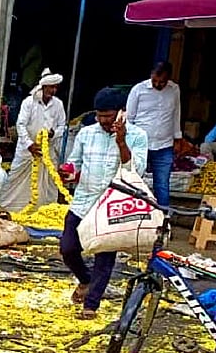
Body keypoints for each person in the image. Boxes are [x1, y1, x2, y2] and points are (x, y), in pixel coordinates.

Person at [59, 87, 149, 320]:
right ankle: (85, 280)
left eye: (108, 117)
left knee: (104, 256)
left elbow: (135, 170)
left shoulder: (138, 136)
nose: (102, 121)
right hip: (83, 200)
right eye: (99, 116)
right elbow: (75, 163)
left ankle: (91, 304)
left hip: (112, 205)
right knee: (68, 248)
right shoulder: (87, 133)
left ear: (122, 113)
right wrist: (69, 173)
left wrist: (121, 141)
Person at [0, 69, 68, 211]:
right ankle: (9, 209)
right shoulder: (29, 102)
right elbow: (20, 124)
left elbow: (62, 125)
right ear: (43, 87)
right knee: (16, 179)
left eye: (55, 87)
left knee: (48, 182)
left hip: (47, 149)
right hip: (27, 149)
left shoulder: (58, 104)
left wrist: (54, 134)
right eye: (50, 87)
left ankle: (44, 210)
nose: (53, 90)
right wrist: (29, 144)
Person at [126, 61, 182, 207]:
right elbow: (130, 118)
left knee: (162, 184)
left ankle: (163, 217)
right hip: (140, 144)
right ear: (151, 75)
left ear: (168, 78)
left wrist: (178, 138)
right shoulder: (138, 90)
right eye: (155, 81)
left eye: (162, 82)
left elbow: (176, 114)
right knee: (134, 180)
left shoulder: (174, 90)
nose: (158, 84)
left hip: (164, 145)